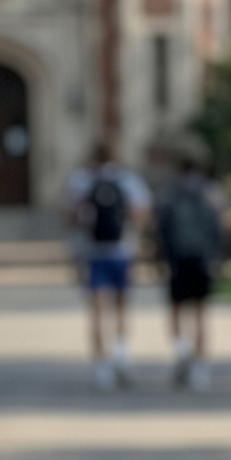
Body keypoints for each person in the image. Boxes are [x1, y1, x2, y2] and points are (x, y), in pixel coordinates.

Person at [66, 141, 151, 389]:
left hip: (92, 252)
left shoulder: (81, 180)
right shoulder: (126, 179)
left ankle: (101, 365)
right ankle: (121, 355)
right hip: (121, 250)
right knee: (121, 306)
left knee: (96, 309)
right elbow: (142, 211)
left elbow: (71, 214)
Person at [153, 148, 229, 389]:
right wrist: (220, 257)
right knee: (200, 314)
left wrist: (160, 257)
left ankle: (182, 352)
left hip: (177, 259)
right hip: (203, 258)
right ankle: (200, 366)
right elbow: (221, 228)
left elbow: (161, 228)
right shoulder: (212, 192)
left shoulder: (170, 193)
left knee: (176, 311)